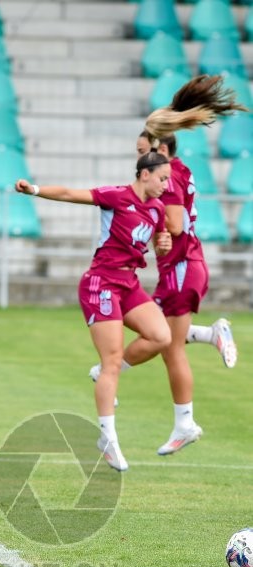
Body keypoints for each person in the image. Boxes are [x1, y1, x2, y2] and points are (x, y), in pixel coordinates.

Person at [88, 75, 244, 456]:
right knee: (163, 333)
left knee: (170, 346)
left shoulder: (166, 178)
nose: (139, 158)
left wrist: (150, 223)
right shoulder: (181, 169)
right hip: (186, 266)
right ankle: (210, 335)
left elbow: (173, 225)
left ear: (159, 148)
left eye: (144, 150)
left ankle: (183, 421)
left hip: (180, 267)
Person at [15, 150, 175, 471]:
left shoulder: (157, 209)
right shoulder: (117, 197)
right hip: (100, 283)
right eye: (162, 178)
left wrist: (164, 244)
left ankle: (106, 375)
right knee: (112, 361)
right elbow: (70, 194)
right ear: (145, 174)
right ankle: (108, 439)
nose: (166, 184)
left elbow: (160, 237)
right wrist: (35, 189)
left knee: (161, 336)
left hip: (128, 283)